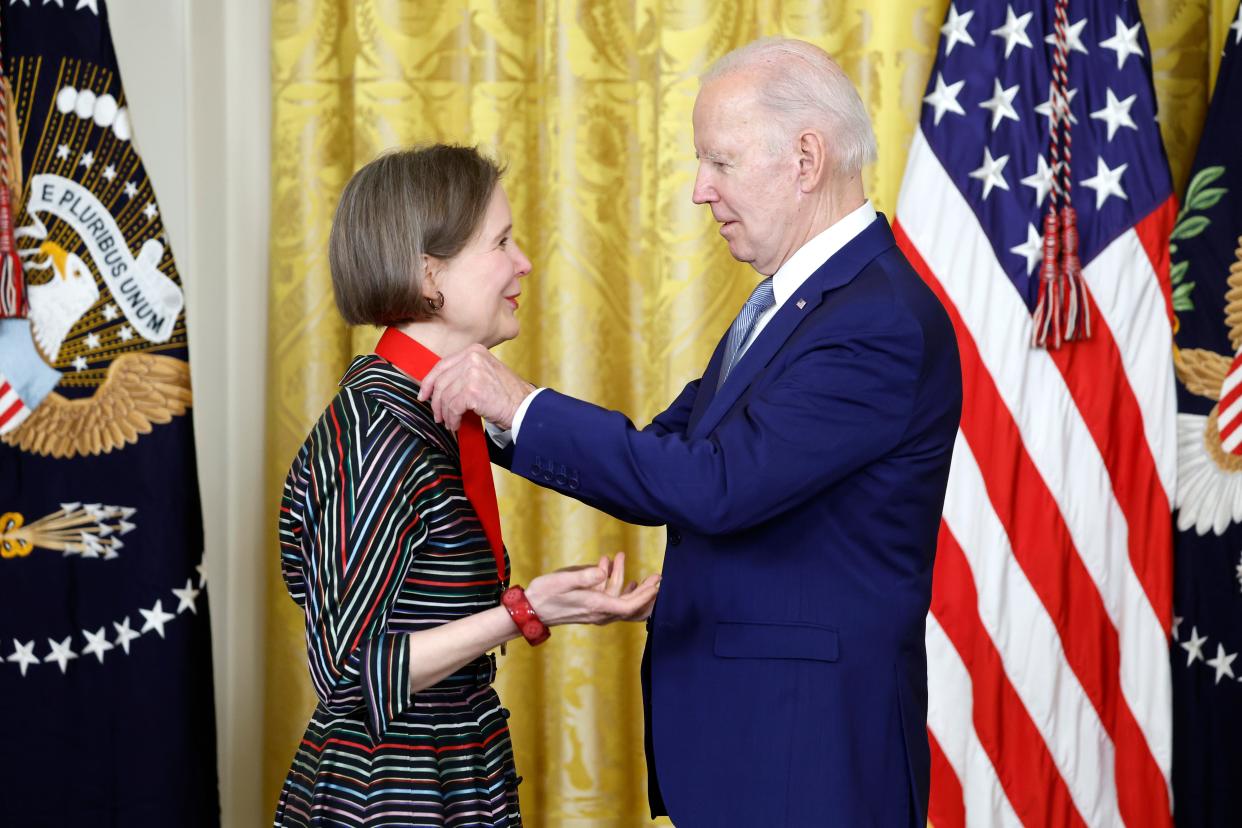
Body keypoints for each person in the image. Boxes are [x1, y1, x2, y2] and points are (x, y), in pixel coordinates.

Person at [418, 38, 963, 827]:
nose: (701, 191)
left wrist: (519, 403)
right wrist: (497, 421)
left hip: (806, 761)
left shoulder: (875, 319)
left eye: (720, 161)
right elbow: (668, 452)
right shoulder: (797, 304)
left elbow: (713, 485)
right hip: (755, 748)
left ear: (806, 158)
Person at [272, 145, 660, 828]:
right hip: (390, 793)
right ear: (430, 274)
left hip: (455, 770)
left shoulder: (429, 412)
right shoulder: (376, 433)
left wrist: (546, 606)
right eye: (502, 242)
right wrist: (523, 611)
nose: (524, 263)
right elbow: (344, 674)